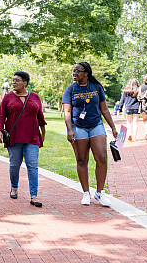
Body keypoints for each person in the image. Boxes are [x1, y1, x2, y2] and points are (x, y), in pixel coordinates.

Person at [63, 62, 118, 207]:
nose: (74, 73)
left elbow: (104, 109)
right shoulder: (70, 90)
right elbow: (67, 111)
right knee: (82, 160)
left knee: (102, 157)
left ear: (86, 73)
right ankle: (86, 193)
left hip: (96, 125)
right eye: (73, 70)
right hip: (78, 126)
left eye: (78, 71)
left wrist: (112, 126)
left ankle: (99, 193)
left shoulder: (97, 87)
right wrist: (70, 129)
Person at [0, 71, 46, 208]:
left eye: (17, 80)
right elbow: (1, 116)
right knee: (15, 164)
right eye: (13, 80)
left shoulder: (35, 97)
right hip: (14, 137)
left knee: (32, 166)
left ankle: (34, 196)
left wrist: (43, 134)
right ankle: (14, 187)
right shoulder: (7, 97)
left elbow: (40, 117)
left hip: (32, 137)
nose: (14, 82)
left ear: (25, 82)